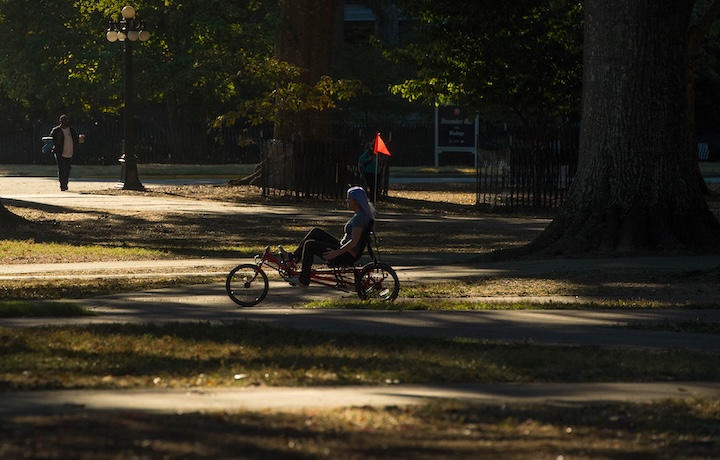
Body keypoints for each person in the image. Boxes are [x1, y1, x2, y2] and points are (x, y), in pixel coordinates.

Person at [282, 186, 376, 288]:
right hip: (344, 249)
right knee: (316, 232)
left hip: (345, 255)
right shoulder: (361, 215)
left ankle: (304, 279)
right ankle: (294, 258)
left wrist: (335, 253)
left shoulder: (359, 219)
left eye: (349, 198)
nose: (347, 201)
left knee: (310, 244)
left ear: (356, 201)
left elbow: (354, 242)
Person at [49, 115, 80, 191]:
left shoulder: (71, 130)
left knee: (67, 168)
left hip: (69, 151)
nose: (64, 122)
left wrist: (80, 138)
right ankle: (62, 185)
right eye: (62, 120)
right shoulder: (56, 130)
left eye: (65, 120)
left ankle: (65, 183)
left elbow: (76, 139)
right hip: (59, 152)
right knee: (62, 168)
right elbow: (51, 139)